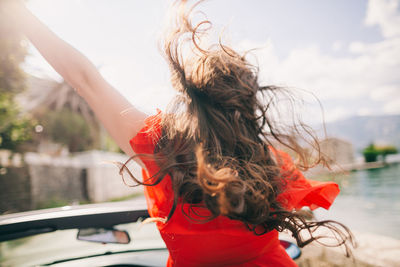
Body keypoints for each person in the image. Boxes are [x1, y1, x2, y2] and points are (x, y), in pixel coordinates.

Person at [3, 1, 354, 266]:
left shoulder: (161, 147)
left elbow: (85, 80)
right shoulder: (273, 165)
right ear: (247, 104)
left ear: (189, 96)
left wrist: (21, 15)